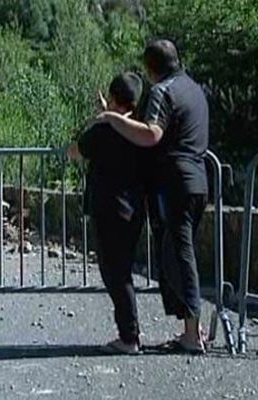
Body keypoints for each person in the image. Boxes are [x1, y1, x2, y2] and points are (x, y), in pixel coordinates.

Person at [95, 39, 209, 354]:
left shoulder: (163, 91)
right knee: (177, 253)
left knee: (180, 255)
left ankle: (192, 334)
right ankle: (193, 327)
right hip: (199, 180)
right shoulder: (194, 89)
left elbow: (152, 134)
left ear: (150, 69)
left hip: (174, 183)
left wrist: (112, 119)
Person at [68, 72, 145, 354]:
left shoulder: (104, 130)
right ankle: (130, 333)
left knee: (116, 274)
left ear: (113, 98)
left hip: (108, 209)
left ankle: (129, 337)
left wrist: (99, 118)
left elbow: (76, 150)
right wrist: (107, 113)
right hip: (133, 209)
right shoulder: (141, 129)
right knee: (122, 270)